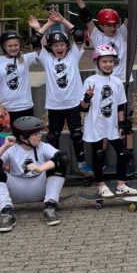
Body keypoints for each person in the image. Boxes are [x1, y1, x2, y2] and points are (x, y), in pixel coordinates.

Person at [73, 0, 137, 170]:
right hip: (102, 84)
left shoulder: (123, 33)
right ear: (101, 25)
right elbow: (86, 17)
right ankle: (101, 157)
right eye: (108, 25)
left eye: (115, 24)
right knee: (103, 117)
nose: (112, 28)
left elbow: (131, 14)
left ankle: (128, 156)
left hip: (122, 82)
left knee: (126, 120)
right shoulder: (97, 36)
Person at [0, 116, 67, 232]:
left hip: (40, 189)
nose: (40, 136)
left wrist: (39, 168)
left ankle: (50, 207)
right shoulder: (11, 149)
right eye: (35, 134)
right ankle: (7, 213)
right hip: (16, 190)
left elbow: (63, 158)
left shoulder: (43, 146)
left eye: (39, 132)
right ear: (23, 137)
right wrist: (5, 145)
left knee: (59, 165)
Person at [30, 10, 89, 176]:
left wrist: (62, 20)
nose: (59, 48)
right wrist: (48, 24)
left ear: (67, 46)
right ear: (50, 47)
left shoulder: (73, 55)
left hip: (73, 104)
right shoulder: (46, 58)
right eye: (55, 45)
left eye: (62, 44)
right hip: (55, 105)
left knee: (77, 135)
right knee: (53, 137)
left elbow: (78, 34)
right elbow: (35, 40)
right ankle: (53, 166)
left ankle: (82, 165)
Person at [80, 44, 137, 198]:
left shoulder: (117, 81)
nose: (108, 64)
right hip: (96, 125)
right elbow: (83, 108)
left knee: (122, 154)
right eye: (104, 61)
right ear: (97, 62)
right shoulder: (90, 81)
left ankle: (121, 185)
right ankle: (101, 186)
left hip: (112, 125)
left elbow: (120, 106)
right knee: (98, 155)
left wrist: (122, 124)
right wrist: (87, 97)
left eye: (111, 61)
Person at [0, 29, 38, 123]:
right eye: (10, 46)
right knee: (5, 134)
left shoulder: (26, 59)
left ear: (20, 45)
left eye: (16, 45)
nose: (13, 48)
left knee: (26, 133)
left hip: (25, 108)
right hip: (4, 110)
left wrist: (38, 29)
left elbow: (44, 50)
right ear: (4, 47)